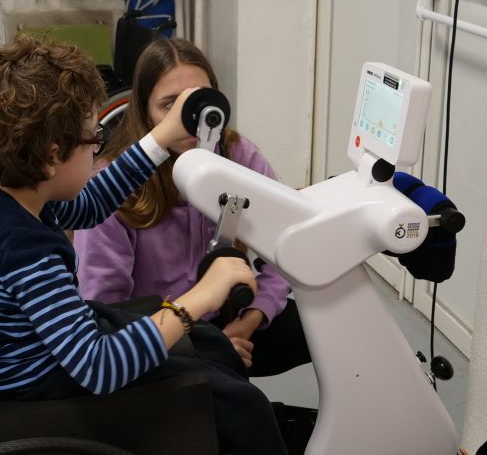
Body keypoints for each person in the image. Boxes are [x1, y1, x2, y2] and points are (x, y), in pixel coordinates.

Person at [0, 35, 372, 455]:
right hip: (45, 393)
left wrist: (160, 141)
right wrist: (196, 297)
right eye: (93, 141)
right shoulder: (24, 249)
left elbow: (88, 204)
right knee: (240, 404)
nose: (99, 150)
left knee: (212, 345)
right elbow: (98, 368)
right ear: (49, 155)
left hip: (29, 361)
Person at [74, 38, 311, 378]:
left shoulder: (237, 155)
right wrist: (203, 350)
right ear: (144, 110)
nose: (188, 120)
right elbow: (108, 313)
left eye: (199, 101)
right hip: (155, 338)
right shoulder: (113, 186)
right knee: (241, 410)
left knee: (326, 328)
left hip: (229, 316)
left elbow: (284, 245)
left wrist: (250, 320)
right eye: (170, 105)